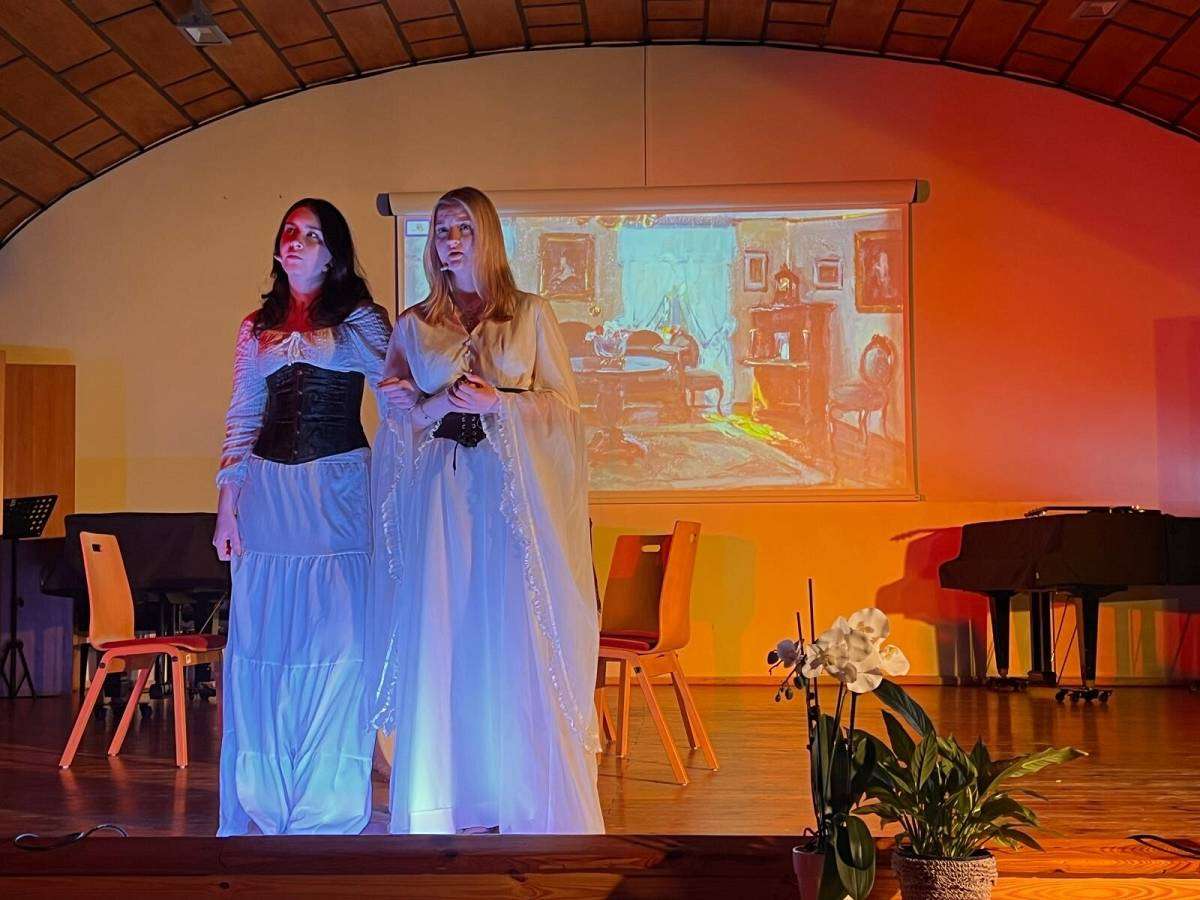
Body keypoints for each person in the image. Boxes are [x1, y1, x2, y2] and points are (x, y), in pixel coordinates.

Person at [371, 186, 604, 834]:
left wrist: (500, 403)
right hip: (444, 495)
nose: (450, 241)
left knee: (510, 628)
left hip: (508, 494)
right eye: (442, 229)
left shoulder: (529, 314)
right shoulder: (415, 325)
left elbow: (566, 413)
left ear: (487, 236)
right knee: (446, 628)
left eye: (463, 228)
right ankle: (447, 795)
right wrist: (428, 404)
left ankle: (516, 792)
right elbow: (401, 419)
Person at [213, 198, 391, 836]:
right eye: (289, 230)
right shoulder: (254, 327)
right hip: (268, 496)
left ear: (333, 253)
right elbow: (242, 416)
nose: (296, 240)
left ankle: (326, 807)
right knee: (268, 645)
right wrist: (227, 506)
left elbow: (397, 390)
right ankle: (266, 800)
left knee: (337, 643)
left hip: (338, 492)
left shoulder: (362, 320)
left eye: (311, 234)